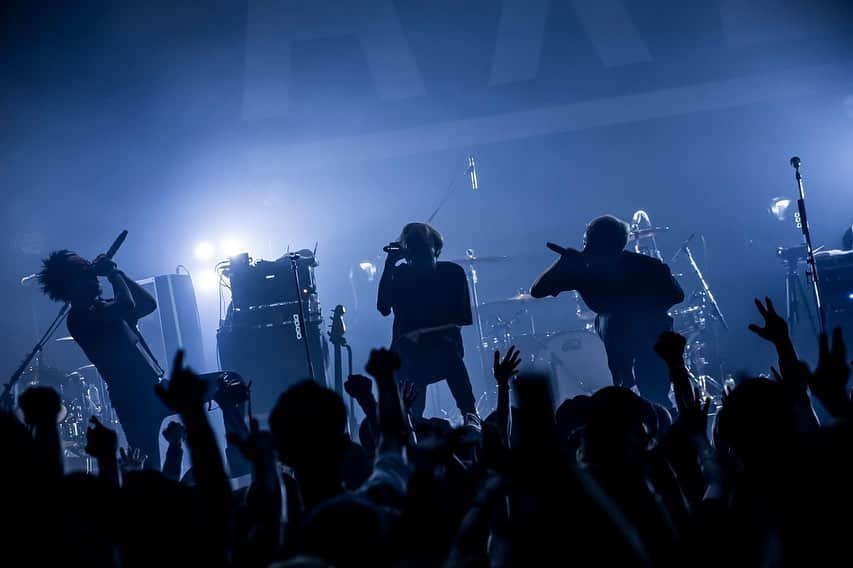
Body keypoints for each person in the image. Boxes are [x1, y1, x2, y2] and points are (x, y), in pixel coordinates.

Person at [530, 215, 684, 407]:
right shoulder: (585, 269)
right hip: (623, 336)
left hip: (649, 335)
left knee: (652, 393)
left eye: (588, 241)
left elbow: (676, 295)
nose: (585, 247)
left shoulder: (646, 266)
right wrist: (563, 263)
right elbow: (537, 291)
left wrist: (632, 311)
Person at [38, 250, 166, 467]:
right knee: (148, 466)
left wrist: (118, 273)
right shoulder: (80, 317)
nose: (91, 271)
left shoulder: (102, 306)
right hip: (134, 399)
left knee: (225, 385)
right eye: (84, 269)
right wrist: (112, 273)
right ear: (72, 282)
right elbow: (127, 305)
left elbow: (147, 304)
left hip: (153, 388)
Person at [377, 222, 478, 421]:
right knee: (411, 409)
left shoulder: (452, 273)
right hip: (407, 355)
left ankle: (470, 414)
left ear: (436, 249)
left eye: (423, 248)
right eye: (413, 248)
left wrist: (420, 334)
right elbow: (383, 307)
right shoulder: (399, 275)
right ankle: (413, 424)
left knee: (448, 353)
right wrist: (389, 265)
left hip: (442, 349)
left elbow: (459, 320)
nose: (419, 255)